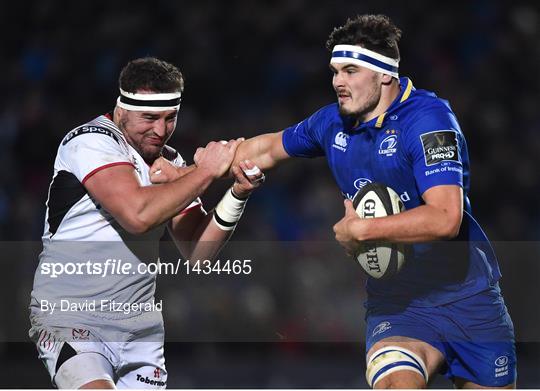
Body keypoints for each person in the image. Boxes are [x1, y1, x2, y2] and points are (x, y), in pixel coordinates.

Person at [153, 14, 516, 389]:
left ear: (384, 74)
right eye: (335, 71)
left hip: (470, 300)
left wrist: (363, 230)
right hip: (399, 305)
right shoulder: (331, 123)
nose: (338, 82)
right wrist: (185, 176)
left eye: (350, 70)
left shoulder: (429, 121)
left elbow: (446, 218)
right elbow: (263, 149)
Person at [29, 57, 264, 389]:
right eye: (150, 117)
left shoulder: (169, 162)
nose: (161, 130)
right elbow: (137, 215)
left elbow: (197, 251)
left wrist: (238, 193)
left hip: (140, 329)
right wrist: (207, 171)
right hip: (73, 317)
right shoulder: (91, 141)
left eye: (171, 118)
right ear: (122, 109)